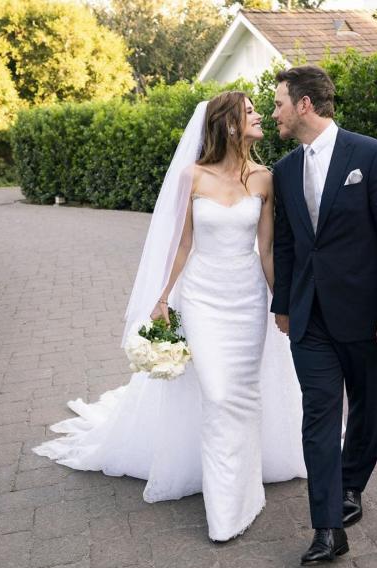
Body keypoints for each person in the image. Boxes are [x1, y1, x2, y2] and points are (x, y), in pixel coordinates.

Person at [34, 92, 306, 543]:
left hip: (247, 300)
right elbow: (182, 244)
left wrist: (284, 303)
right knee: (217, 393)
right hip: (201, 297)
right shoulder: (191, 176)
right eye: (250, 111)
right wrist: (161, 297)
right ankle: (226, 511)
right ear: (229, 124)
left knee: (243, 394)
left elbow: (267, 250)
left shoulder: (265, 179)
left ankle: (244, 491)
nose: (260, 115)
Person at [271, 66, 377, 565]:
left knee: (368, 406)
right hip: (309, 318)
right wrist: (284, 304)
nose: (274, 113)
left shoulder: (372, 156)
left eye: (279, 103)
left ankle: (352, 484)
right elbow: (287, 244)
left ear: (304, 104)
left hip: (366, 316)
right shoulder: (284, 170)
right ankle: (328, 527)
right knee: (319, 414)